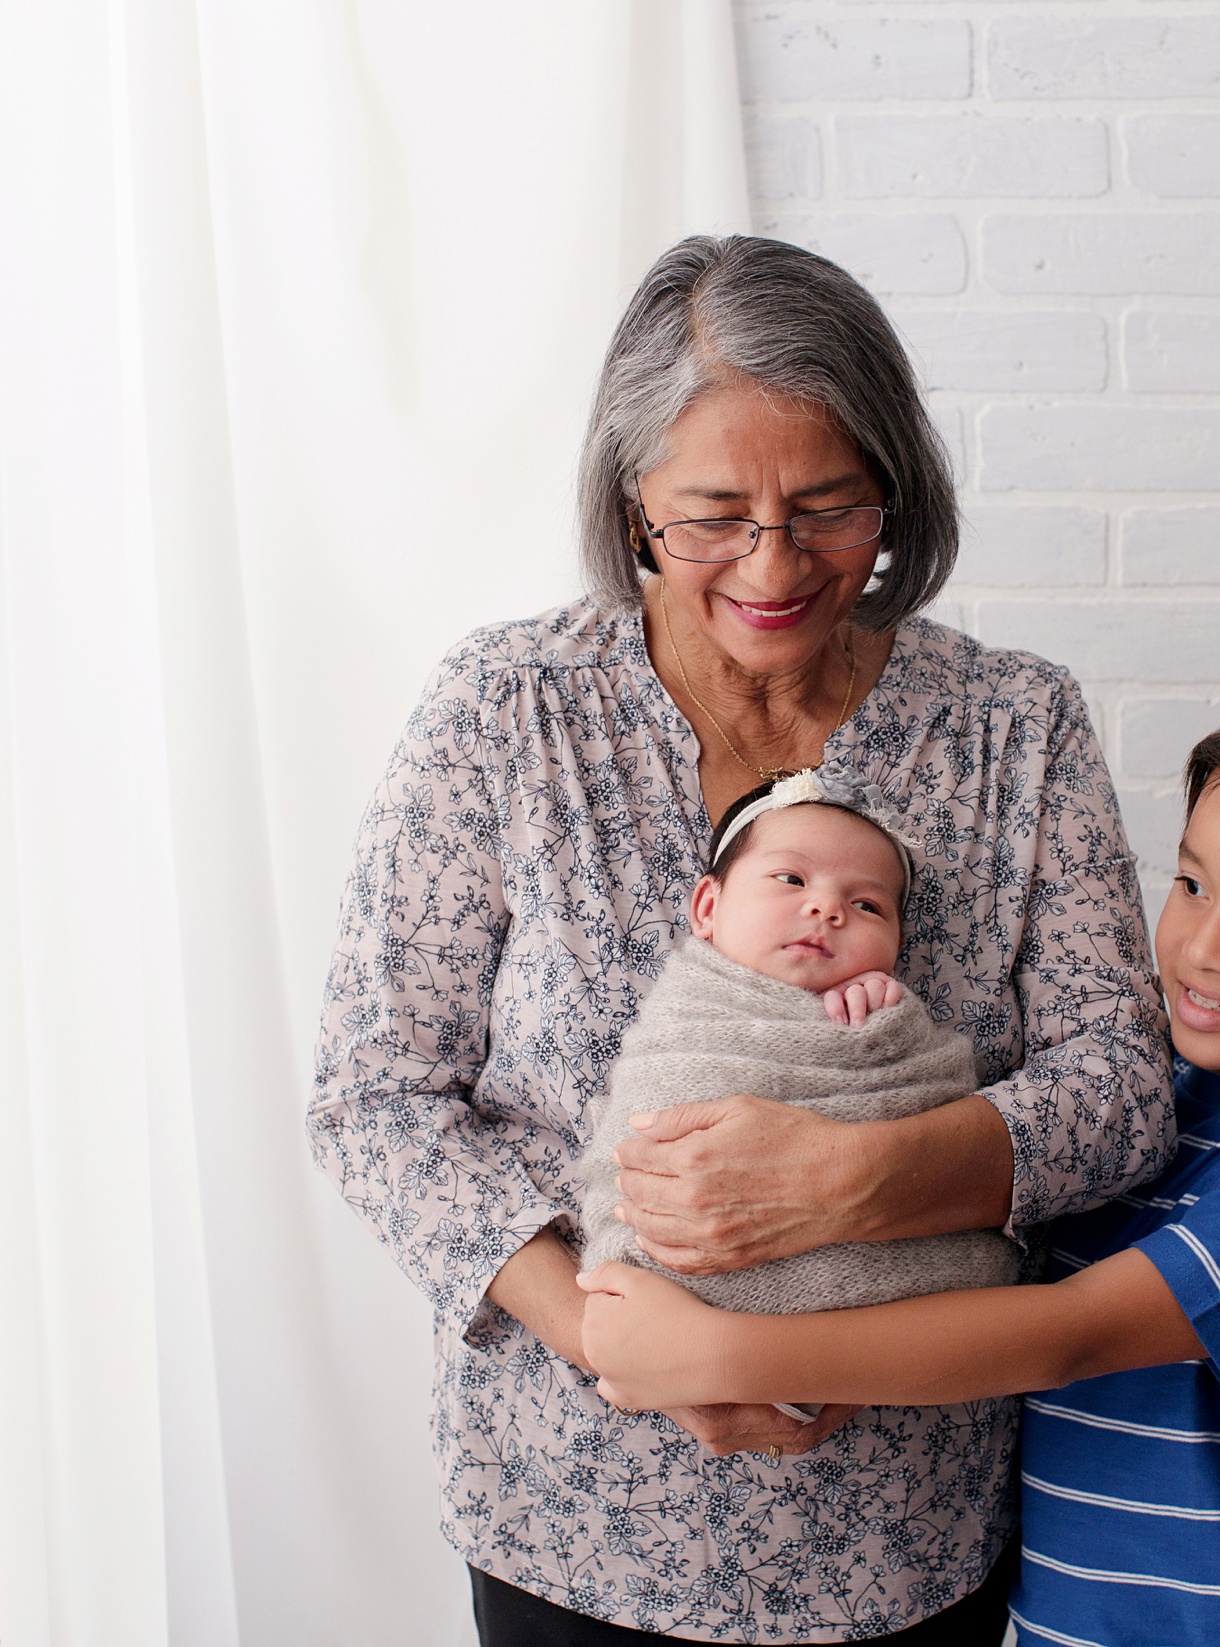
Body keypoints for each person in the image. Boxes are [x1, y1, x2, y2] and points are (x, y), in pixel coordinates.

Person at [307, 234, 1173, 1645]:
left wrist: (864, 1178)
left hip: (911, 1525)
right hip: (571, 1517)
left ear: (895, 490)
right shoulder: (505, 712)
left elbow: (1121, 1088)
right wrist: (618, 1337)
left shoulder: (1013, 724)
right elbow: (373, 1095)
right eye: (713, 514)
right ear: (631, 499)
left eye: (827, 506)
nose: (773, 565)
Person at [580, 684, 1220, 1647]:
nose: (1204, 946)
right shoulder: (1147, 1113)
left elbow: (1065, 1334)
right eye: (1190, 885)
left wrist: (717, 1354)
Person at [576, 772, 1018, 1323]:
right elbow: (640, 1134)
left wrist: (887, 1025)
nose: (828, 909)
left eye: (869, 907)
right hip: (677, 1312)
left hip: (885, 1328)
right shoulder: (686, 1012)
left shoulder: (885, 1015)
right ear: (708, 907)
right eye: (791, 878)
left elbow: (935, 1114)